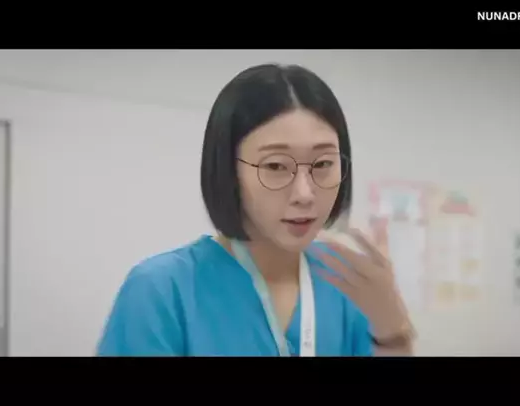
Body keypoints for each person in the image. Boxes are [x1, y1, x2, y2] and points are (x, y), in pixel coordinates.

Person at [96, 63, 415, 356]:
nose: (305, 194)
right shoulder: (161, 291)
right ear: (228, 170)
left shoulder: (348, 284)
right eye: (275, 165)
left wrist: (392, 332)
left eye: (322, 164)